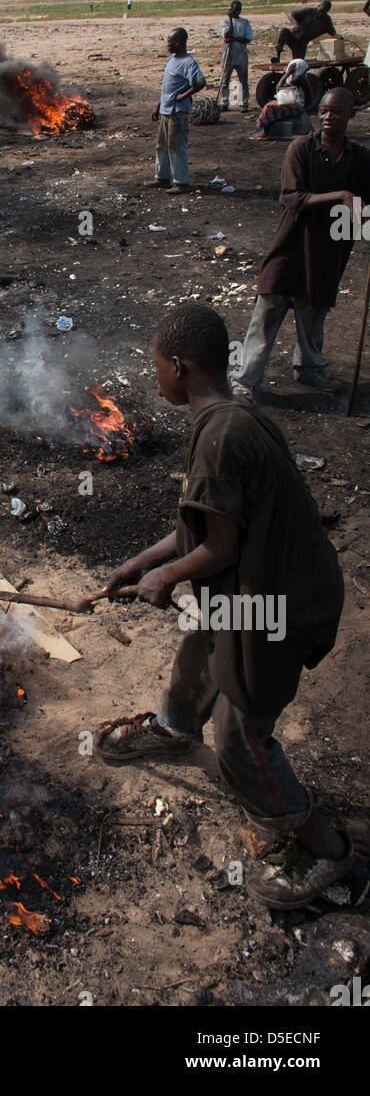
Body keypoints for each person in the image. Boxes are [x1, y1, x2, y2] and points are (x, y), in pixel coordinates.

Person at [96, 303, 353, 909]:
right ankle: (174, 729)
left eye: (157, 366)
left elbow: (218, 547)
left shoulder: (218, 439)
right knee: (200, 643)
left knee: (240, 732)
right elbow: (209, 527)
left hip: (276, 605)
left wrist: (164, 580)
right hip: (267, 585)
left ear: (180, 367)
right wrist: (142, 561)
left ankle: (324, 850)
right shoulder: (232, 417)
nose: (154, 375)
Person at [233, 87, 370, 397]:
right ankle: (245, 379)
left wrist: (363, 217)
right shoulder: (301, 149)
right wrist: (340, 196)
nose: (328, 117)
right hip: (291, 244)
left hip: (328, 248)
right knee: (268, 309)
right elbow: (292, 199)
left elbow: (365, 206)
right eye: (323, 110)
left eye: (336, 111)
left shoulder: (359, 158)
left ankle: (309, 370)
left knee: (314, 312)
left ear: (351, 114)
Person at [152, 28, 206, 194]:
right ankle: (162, 178)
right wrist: (159, 106)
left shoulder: (188, 62)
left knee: (176, 147)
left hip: (177, 112)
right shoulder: (172, 60)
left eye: (170, 42)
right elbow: (167, 88)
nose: (167, 45)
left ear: (179, 43)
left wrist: (184, 95)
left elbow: (200, 82)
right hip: (166, 110)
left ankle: (181, 182)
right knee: (161, 146)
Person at [249, 58, 310, 141]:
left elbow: (279, 86)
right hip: (297, 104)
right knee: (271, 105)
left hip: (298, 106)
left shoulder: (298, 79)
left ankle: (265, 132)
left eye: (292, 68)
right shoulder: (302, 77)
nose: (290, 69)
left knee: (268, 106)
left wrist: (287, 74)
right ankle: (265, 130)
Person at [217, 0, 253, 112]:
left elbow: (247, 38)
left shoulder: (245, 22)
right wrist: (230, 19)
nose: (237, 12)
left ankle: (244, 102)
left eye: (239, 10)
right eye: (235, 10)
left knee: (243, 80)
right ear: (231, 9)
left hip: (241, 55)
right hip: (228, 55)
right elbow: (227, 35)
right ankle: (224, 101)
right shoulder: (225, 22)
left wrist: (233, 39)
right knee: (225, 79)